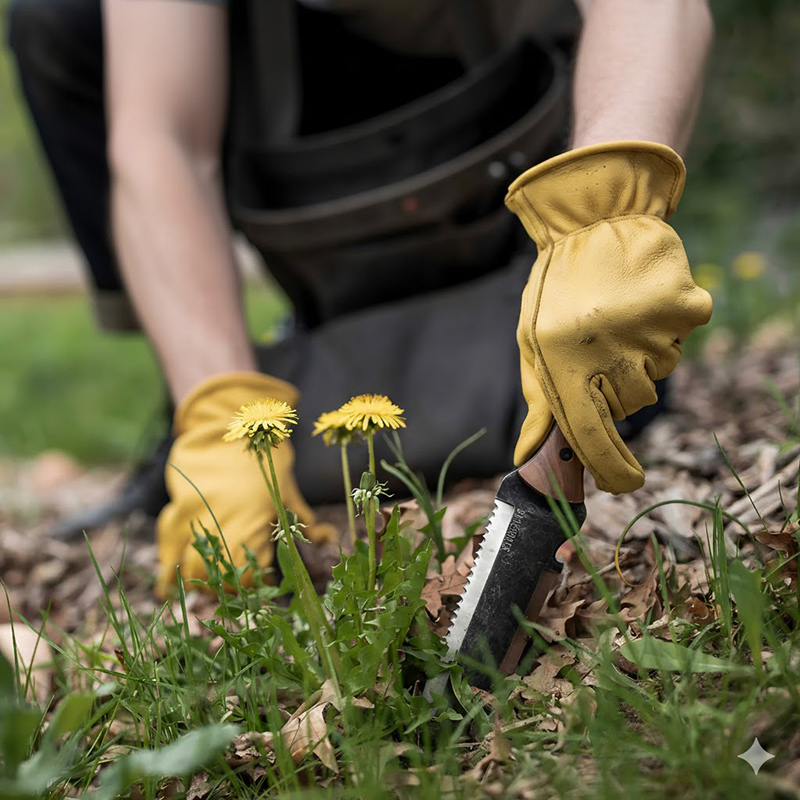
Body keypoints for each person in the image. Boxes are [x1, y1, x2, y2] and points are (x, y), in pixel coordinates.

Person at [7, 0, 713, 597]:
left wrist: (607, 215)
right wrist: (220, 415)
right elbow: (159, 137)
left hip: (522, 120)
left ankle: (579, 331)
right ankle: (198, 406)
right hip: (288, 100)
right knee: (62, 18)